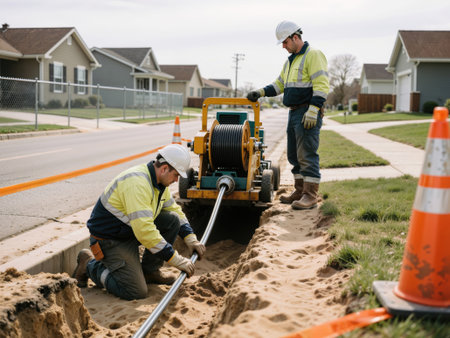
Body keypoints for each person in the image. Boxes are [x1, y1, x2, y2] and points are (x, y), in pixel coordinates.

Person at [72, 144, 206, 300]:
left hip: (128, 232)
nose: (177, 180)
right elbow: (145, 231)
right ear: (164, 169)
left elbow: (174, 210)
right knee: (135, 291)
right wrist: (175, 259)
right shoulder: (138, 183)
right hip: (110, 239)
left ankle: (150, 272)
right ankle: (89, 265)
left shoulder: (159, 184)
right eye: (176, 175)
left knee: (172, 221)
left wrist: (191, 239)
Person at [247, 20, 329, 210]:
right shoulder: (290, 61)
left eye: (285, 42)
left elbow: (322, 85)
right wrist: (260, 92)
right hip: (294, 112)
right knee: (294, 155)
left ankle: (310, 195)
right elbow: (279, 85)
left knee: (307, 154)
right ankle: (300, 191)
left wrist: (314, 109)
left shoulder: (313, 55)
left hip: (307, 111)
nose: (283, 46)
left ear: (295, 37)